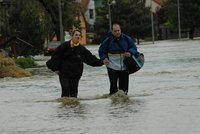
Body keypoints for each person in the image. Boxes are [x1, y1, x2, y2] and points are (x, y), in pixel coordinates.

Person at [46, 29, 106, 98]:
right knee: (65, 91)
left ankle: (74, 108)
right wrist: (55, 68)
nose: (78, 36)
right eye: (76, 35)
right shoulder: (64, 46)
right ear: (72, 36)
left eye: (79, 35)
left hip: (75, 75)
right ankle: (64, 108)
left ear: (80, 38)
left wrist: (102, 62)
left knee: (73, 95)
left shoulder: (82, 49)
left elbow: (91, 59)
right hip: (64, 73)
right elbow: (55, 57)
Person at [98, 23, 138, 95]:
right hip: (112, 67)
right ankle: (114, 105)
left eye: (118, 30)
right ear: (112, 31)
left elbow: (134, 48)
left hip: (125, 67)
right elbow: (101, 51)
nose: (117, 32)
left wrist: (130, 52)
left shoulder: (127, 39)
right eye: (115, 31)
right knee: (113, 89)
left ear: (120, 30)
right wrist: (104, 58)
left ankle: (123, 105)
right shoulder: (108, 40)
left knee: (124, 91)